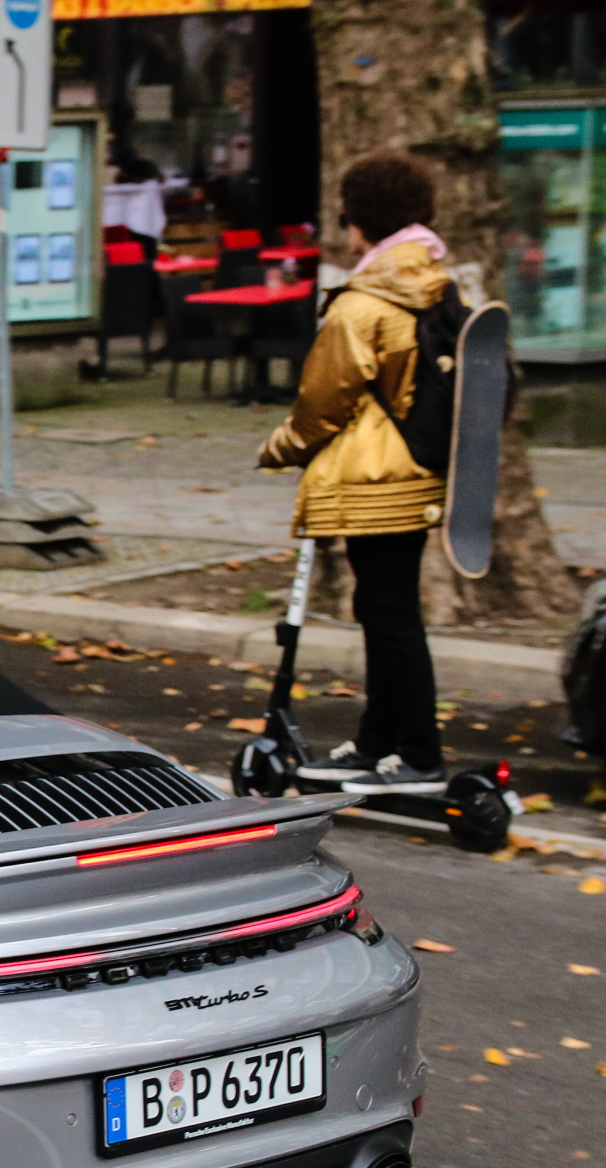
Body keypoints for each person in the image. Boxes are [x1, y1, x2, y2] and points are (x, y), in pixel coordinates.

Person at [260, 150, 454, 797]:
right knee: (383, 608)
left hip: (374, 481)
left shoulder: (363, 303)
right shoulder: (435, 283)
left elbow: (323, 404)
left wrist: (280, 446)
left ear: (360, 222)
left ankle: (420, 754)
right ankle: (379, 744)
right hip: (415, 472)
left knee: (391, 615)